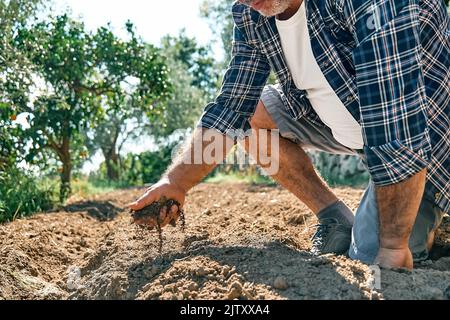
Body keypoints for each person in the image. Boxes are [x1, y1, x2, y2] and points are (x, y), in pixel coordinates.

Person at [129, 0, 449, 270]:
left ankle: (432, 219)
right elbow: (232, 110)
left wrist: (392, 246)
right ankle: (335, 218)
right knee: (252, 115)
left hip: (427, 140)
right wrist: (176, 182)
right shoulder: (253, 12)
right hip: (355, 120)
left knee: (371, 256)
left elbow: (397, 129)